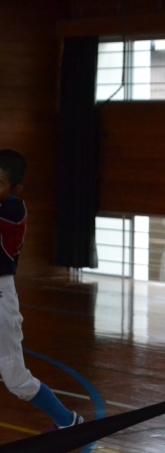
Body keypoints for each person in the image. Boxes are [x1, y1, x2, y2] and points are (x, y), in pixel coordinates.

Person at [0, 149, 86, 433]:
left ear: (16, 189)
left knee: (15, 378)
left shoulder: (14, 211)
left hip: (1, 298)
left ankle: (68, 422)